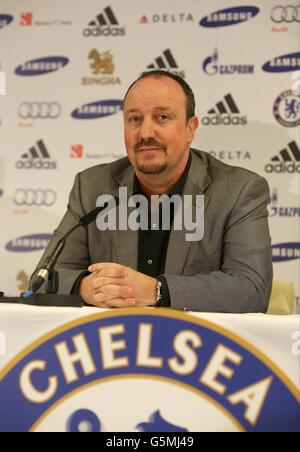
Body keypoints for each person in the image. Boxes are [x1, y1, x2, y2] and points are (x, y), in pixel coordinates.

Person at [31, 70, 273, 312]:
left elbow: (251, 290)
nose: (146, 133)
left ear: (190, 128)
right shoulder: (92, 186)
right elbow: (41, 281)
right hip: (111, 344)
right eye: (135, 119)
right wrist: (85, 287)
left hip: (197, 345)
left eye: (162, 117)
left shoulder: (239, 190)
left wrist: (157, 291)